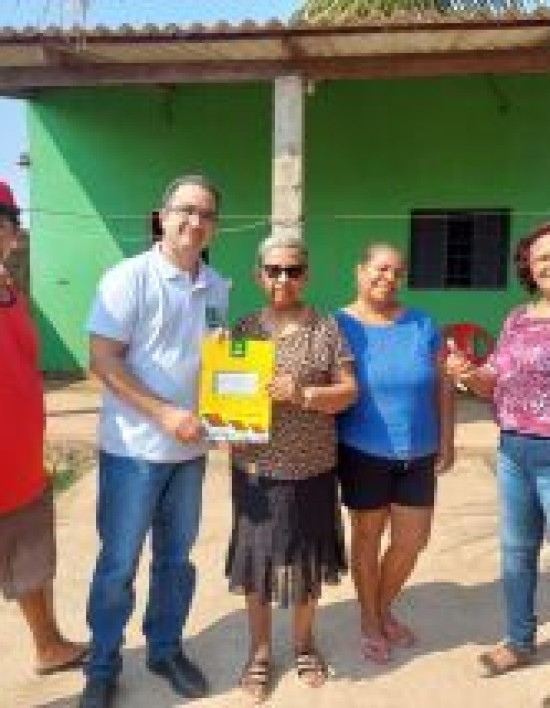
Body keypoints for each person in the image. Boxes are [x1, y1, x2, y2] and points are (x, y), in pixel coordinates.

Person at [80, 175, 231, 708]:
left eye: (207, 214)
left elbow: (216, 359)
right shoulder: (128, 278)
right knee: (119, 563)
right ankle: (102, 665)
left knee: (176, 559)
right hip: (133, 451)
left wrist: (231, 414)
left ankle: (165, 650)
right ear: (161, 217)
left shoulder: (217, 287)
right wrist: (165, 413)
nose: (195, 221)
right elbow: (102, 359)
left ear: (215, 228)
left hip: (190, 452)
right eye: (186, 210)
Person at [226, 233, 357, 703]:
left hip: (311, 468)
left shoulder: (326, 328)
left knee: (307, 562)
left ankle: (304, 645)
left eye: (293, 270)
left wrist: (303, 394)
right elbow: (224, 390)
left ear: (307, 275)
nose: (283, 278)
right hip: (255, 469)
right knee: (256, 562)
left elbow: (349, 391)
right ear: (258, 275)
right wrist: (225, 420)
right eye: (274, 270)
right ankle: (259, 652)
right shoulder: (243, 329)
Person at [335, 243, 455, 664]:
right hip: (363, 451)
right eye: (380, 269)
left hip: (419, 451)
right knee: (367, 538)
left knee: (411, 540)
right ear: (360, 270)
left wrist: (447, 439)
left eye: (397, 272)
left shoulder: (421, 322)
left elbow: (443, 382)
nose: (388, 278)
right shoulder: (339, 324)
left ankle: (381, 606)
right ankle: (371, 619)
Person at [446, 223, 550, 676]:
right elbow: (493, 380)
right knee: (517, 553)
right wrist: (468, 374)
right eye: (541, 257)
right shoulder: (516, 319)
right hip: (513, 451)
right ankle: (519, 642)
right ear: (528, 266)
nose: (548, 264)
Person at [0, 180, 87, 675]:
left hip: (22, 465)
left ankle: (49, 646)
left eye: (1, 224)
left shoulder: (12, 293)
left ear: (13, 235)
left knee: (33, 564)